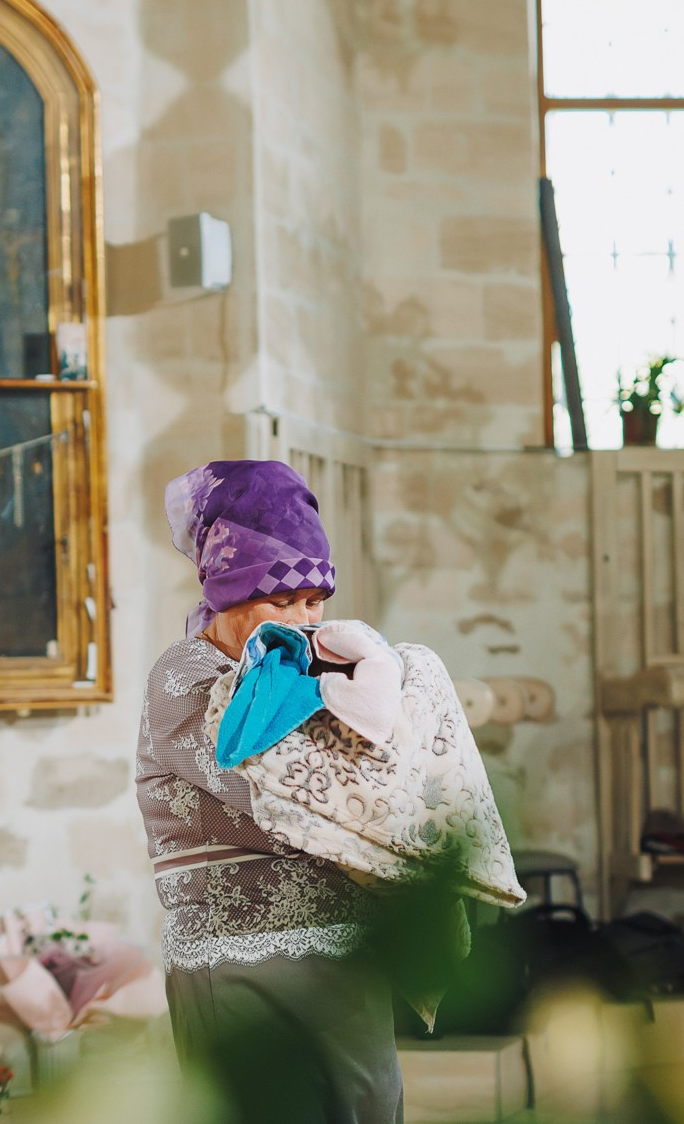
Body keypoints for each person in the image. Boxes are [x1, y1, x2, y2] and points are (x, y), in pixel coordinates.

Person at [135, 460, 403, 1124]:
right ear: (227, 592)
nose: (303, 619)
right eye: (281, 602)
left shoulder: (318, 666)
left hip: (342, 956)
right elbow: (280, 786)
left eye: (314, 602)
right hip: (237, 968)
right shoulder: (186, 676)